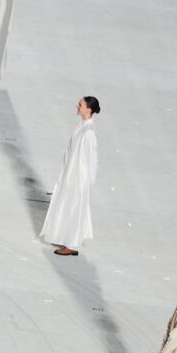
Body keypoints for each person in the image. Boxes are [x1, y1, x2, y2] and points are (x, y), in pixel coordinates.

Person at [41, 97, 102, 257]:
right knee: (69, 205)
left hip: (78, 177)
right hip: (72, 174)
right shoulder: (81, 127)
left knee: (75, 207)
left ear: (88, 109)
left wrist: (87, 180)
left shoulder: (88, 133)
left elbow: (92, 158)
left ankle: (72, 244)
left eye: (80, 105)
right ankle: (66, 237)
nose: (78, 106)